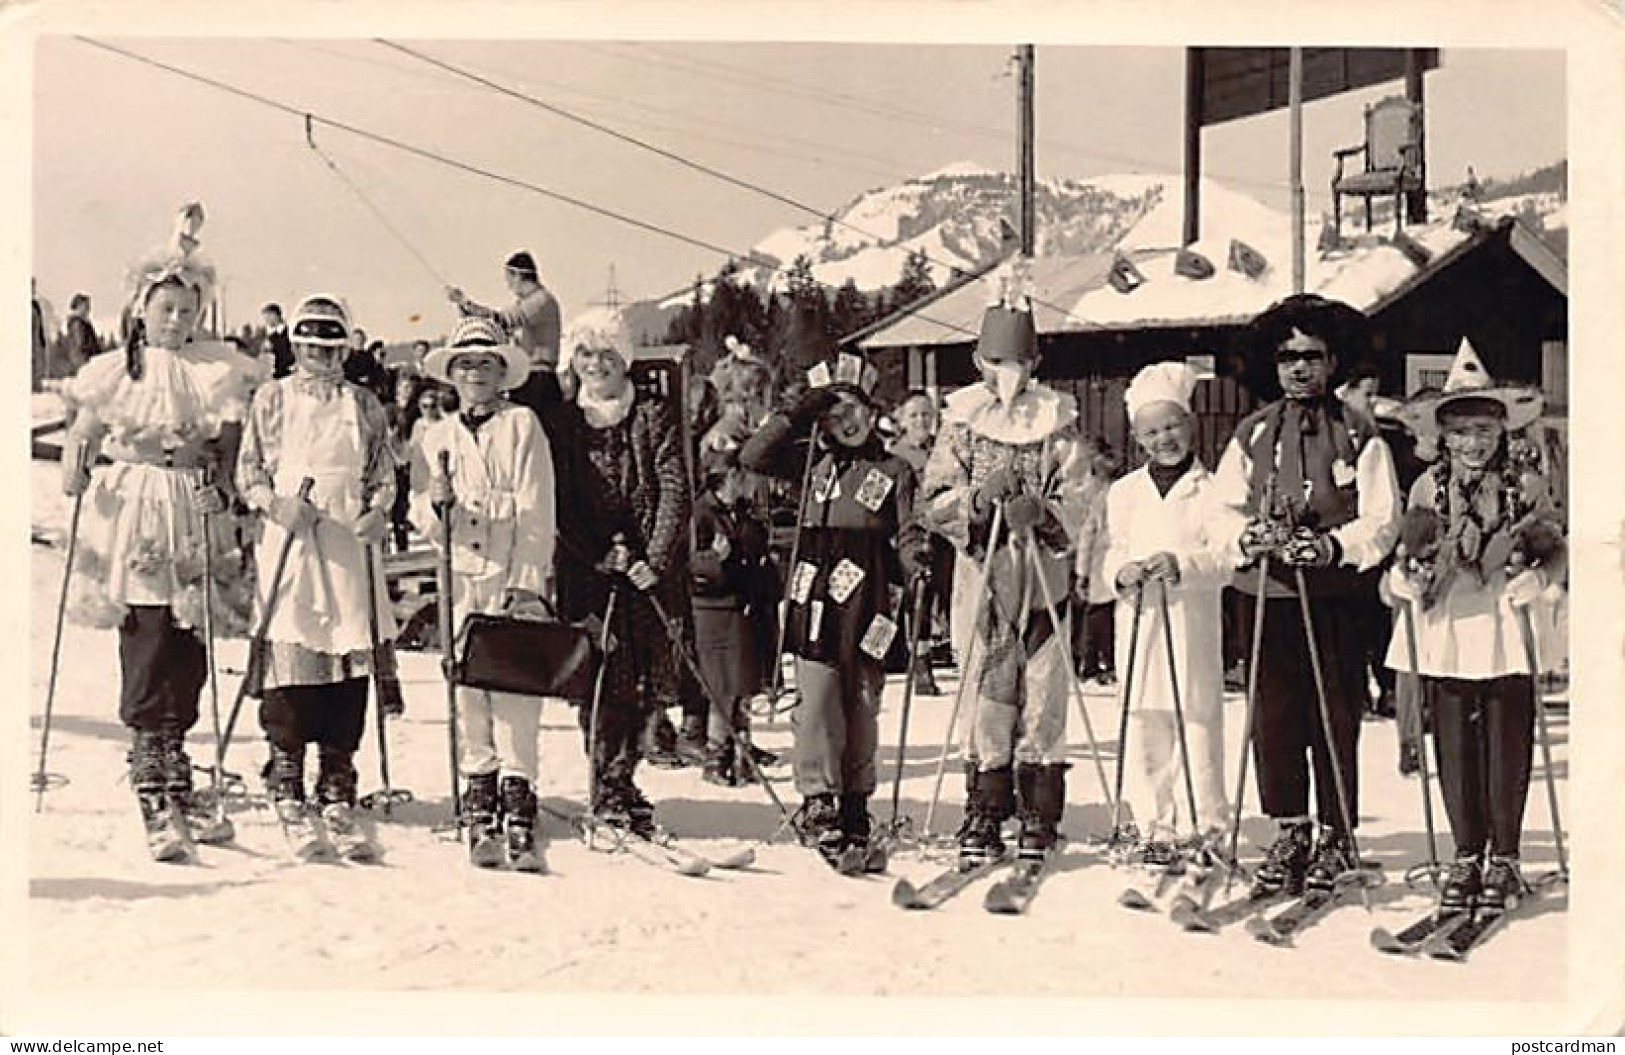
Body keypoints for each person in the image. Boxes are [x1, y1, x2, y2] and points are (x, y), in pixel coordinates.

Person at [59, 204, 259, 857]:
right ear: (142, 309)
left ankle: (178, 756)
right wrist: (76, 468)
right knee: (146, 627)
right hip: (138, 500)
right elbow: (85, 430)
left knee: (190, 630)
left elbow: (226, 443)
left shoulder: (212, 369)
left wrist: (225, 487)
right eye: (165, 309)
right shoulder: (121, 367)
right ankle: (149, 757)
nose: (176, 320)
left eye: (187, 309)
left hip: (193, 502)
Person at [1210, 293, 1401, 898]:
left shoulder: (1360, 433)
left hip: (1335, 596)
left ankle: (1338, 833)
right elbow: (1218, 512)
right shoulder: (1253, 432)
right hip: (1267, 595)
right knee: (1274, 716)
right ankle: (1291, 828)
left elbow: (1382, 519)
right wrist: (1248, 535)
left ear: (1331, 362)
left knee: (1334, 714)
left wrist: (1331, 548)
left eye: (1311, 357)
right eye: (1288, 357)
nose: (1299, 368)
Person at [919, 264, 1089, 869]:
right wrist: (975, 502)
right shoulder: (960, 422)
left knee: (1043, 692)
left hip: (1044, 576)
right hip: (984, 576)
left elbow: (1081, 496)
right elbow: (933, 499)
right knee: (987, 692)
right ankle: (986, 805)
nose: (1008, 375)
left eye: (1018, 363)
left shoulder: (1058, 423)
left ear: (1035, 364)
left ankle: (1039, 809)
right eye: (997, 363)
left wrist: (1044, 511)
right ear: (979, 362)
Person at [1385, 340, 1564, 912]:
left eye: (1484, 431)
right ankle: (1466, 853)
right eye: (1460, 432)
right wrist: (1404, 580)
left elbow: (1551, 547)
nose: (1472, 443)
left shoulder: (1526, 487)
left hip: (1502, 623)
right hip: (1448, 625)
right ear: (1441, 437)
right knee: (1457, 741)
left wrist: (1540, 580)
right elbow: (1407, 552)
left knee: (1508, 738)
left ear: (1502, 433)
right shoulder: (1423, 488)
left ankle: (1505, 856)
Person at [741, 350, 928, 868]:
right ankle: (818, 799)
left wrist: (916, 564)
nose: (847, 423)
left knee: (862, 700)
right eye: (835, 414)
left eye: (856, 412)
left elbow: (908, 529)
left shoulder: (893, 469)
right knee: (818, 698)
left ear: (873, 415)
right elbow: (752, 457)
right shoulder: (808, 463)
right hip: (816, 592)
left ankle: (855, 800)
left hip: (871, 597)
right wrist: (799, 412)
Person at [236, 294, 398, 858]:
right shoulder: (272, 399)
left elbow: (384, 472)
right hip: (293, 537)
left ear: (344, 348)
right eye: (308, 347)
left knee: (347, 654)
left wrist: (379, 509)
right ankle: (287, 772)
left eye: (330, 347)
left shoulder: (364, 403)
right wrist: (276, 505)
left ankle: (338, 773)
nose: (319, 357)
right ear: (295, 347)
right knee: (294, 654)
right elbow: (248, 470)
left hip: (347, 541)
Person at [412, 316, 558, 868]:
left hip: (508, 571)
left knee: (515, 688)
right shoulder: (438, 436)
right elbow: (420, 510)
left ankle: (519, 791)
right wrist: (437, 505)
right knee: (468, 685)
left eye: (486, 364)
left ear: (503, 372)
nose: (475, 374)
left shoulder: (521, 425)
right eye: (465, 365)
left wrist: (527, 583)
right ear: (452, 374)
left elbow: (537, 511)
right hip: (461, 574)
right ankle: (479, 785)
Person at [542, 307, 688, 837]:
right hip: (591, 571)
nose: (596, 364)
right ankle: (605, 782)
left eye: (606, 354)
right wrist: (594, 554)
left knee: (644, 684)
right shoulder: (563, 421)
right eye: (585, 354)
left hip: (646, 573)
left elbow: (674, 486)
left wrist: (655, 556)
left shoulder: (654, 413)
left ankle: (625, 777)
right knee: (600, 681)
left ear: (623, 359)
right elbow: (556, 500)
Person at [1099, 362, 1231, 861]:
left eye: (1172, 426)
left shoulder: (1213, 488)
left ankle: (1205, 825)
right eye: (1152, 432)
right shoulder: (1124, 492)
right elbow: (1111, 551)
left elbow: (1225, 557)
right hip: (1138, 621)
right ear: (1137, 438)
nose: (1164, 439)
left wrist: (1183, 564)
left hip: (1189, 620)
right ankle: (1154, 824)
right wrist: (1122, 571)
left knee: (1195, 722)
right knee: (1144, 722)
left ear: (1191, 424)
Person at [689, 442, 779, 787]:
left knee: (743, 684)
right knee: (721, 687)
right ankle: (716, 755)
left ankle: (741, 753)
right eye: (742, 477)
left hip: (744, 607)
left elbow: (756, 548)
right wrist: (714, 560)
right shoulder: (701, 514)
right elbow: (688, 564)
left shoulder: (743, 513)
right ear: (728, 478)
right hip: (713, 610)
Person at [448, 250, 563, 420]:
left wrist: (465, 302)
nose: (509, 286)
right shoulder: (529, 302)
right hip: (529, 378)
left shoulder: (541, 300)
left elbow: (501, 320)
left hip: (539, 379)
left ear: (517, 275)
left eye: (509, 279)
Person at [888, 391, 946, 696]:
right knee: (918, 597)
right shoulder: (894, 456)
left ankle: (961, 653)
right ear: (901, 419)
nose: (921, 421)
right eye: (914, 415)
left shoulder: (945, 449)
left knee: (950, 593)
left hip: (946, 533)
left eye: (926, 414)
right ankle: (920, 663)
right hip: (911, 536)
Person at [62, 293, 104, 372]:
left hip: (83, 360)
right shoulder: (78, 323)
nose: (88, 309)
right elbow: (81, 343)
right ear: (79, 306)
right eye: (86, 306)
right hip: (84, 361)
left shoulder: (80, 323)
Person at [262, 303, 294, 379]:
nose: (266, 321)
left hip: (291, 373)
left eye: (268, 317)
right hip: (277, 375)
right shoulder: (271, 337)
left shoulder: (291, 332)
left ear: (275, 315)